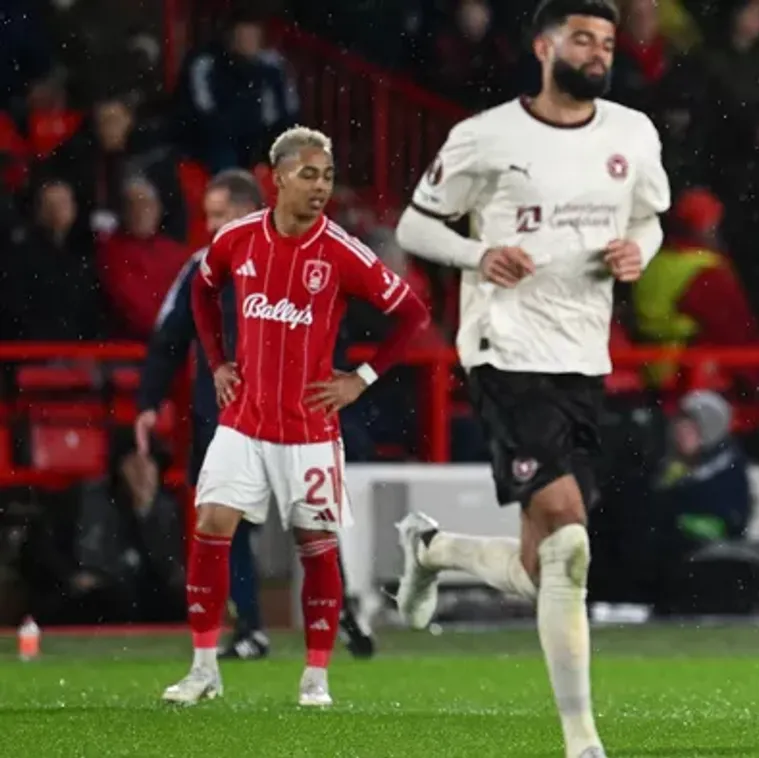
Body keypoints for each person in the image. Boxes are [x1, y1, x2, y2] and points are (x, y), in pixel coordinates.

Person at [391, 2, 669, 755]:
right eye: (582, 38)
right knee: (570, 537)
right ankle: (582, 740)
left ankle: (433, 552)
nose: (598, 52)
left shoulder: (632, 133)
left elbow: (649, 218)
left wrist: (637, 251)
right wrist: (477, 255)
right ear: (544, 47)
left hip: (583, 356)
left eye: (606, 42)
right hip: (504, 349)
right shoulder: (486, 136)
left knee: (541, 565)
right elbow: (415, 224)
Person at [160, 126, 429, 707]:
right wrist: (217, 363)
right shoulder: (236, 240)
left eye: (327, 176)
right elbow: (201, 293)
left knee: (316, 544)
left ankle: (315, 677)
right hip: (243, 422)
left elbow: (412, 313)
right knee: (211, 523)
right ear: (278, 177)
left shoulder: (342, 251)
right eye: (309, 174)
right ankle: (204, 669)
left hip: (309, 429)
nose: (320, 186)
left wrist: (361, 379)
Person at [135, 168, 377, 662]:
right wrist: (147, 402)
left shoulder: (304, 257)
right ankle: (250, 628)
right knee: (229, 524)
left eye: (220, 214)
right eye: (208, 215)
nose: (211, 225)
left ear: (249, 211)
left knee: (312, 522)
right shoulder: (203, 267)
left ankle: (339, 613)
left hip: (294, 419)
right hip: (225, 420)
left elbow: (335, 329)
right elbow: (168, 338)